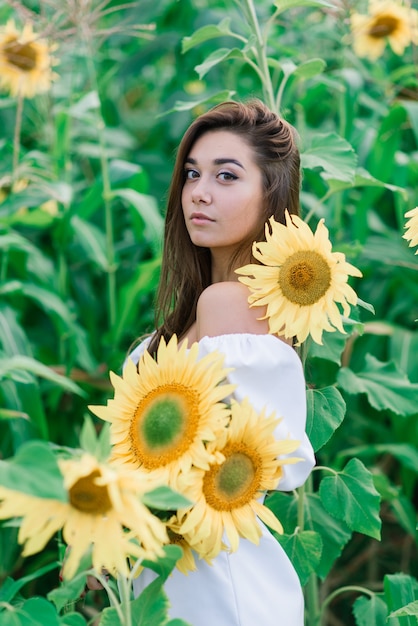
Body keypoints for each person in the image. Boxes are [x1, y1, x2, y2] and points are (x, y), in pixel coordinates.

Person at [128, 99, 315, 626]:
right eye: (191, 174)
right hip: (178, 576)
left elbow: (225, 462)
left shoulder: (229, 303)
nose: (199, 192)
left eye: (226, 175)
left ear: (270, 194)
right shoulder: (200, 309)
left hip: (217, 581)